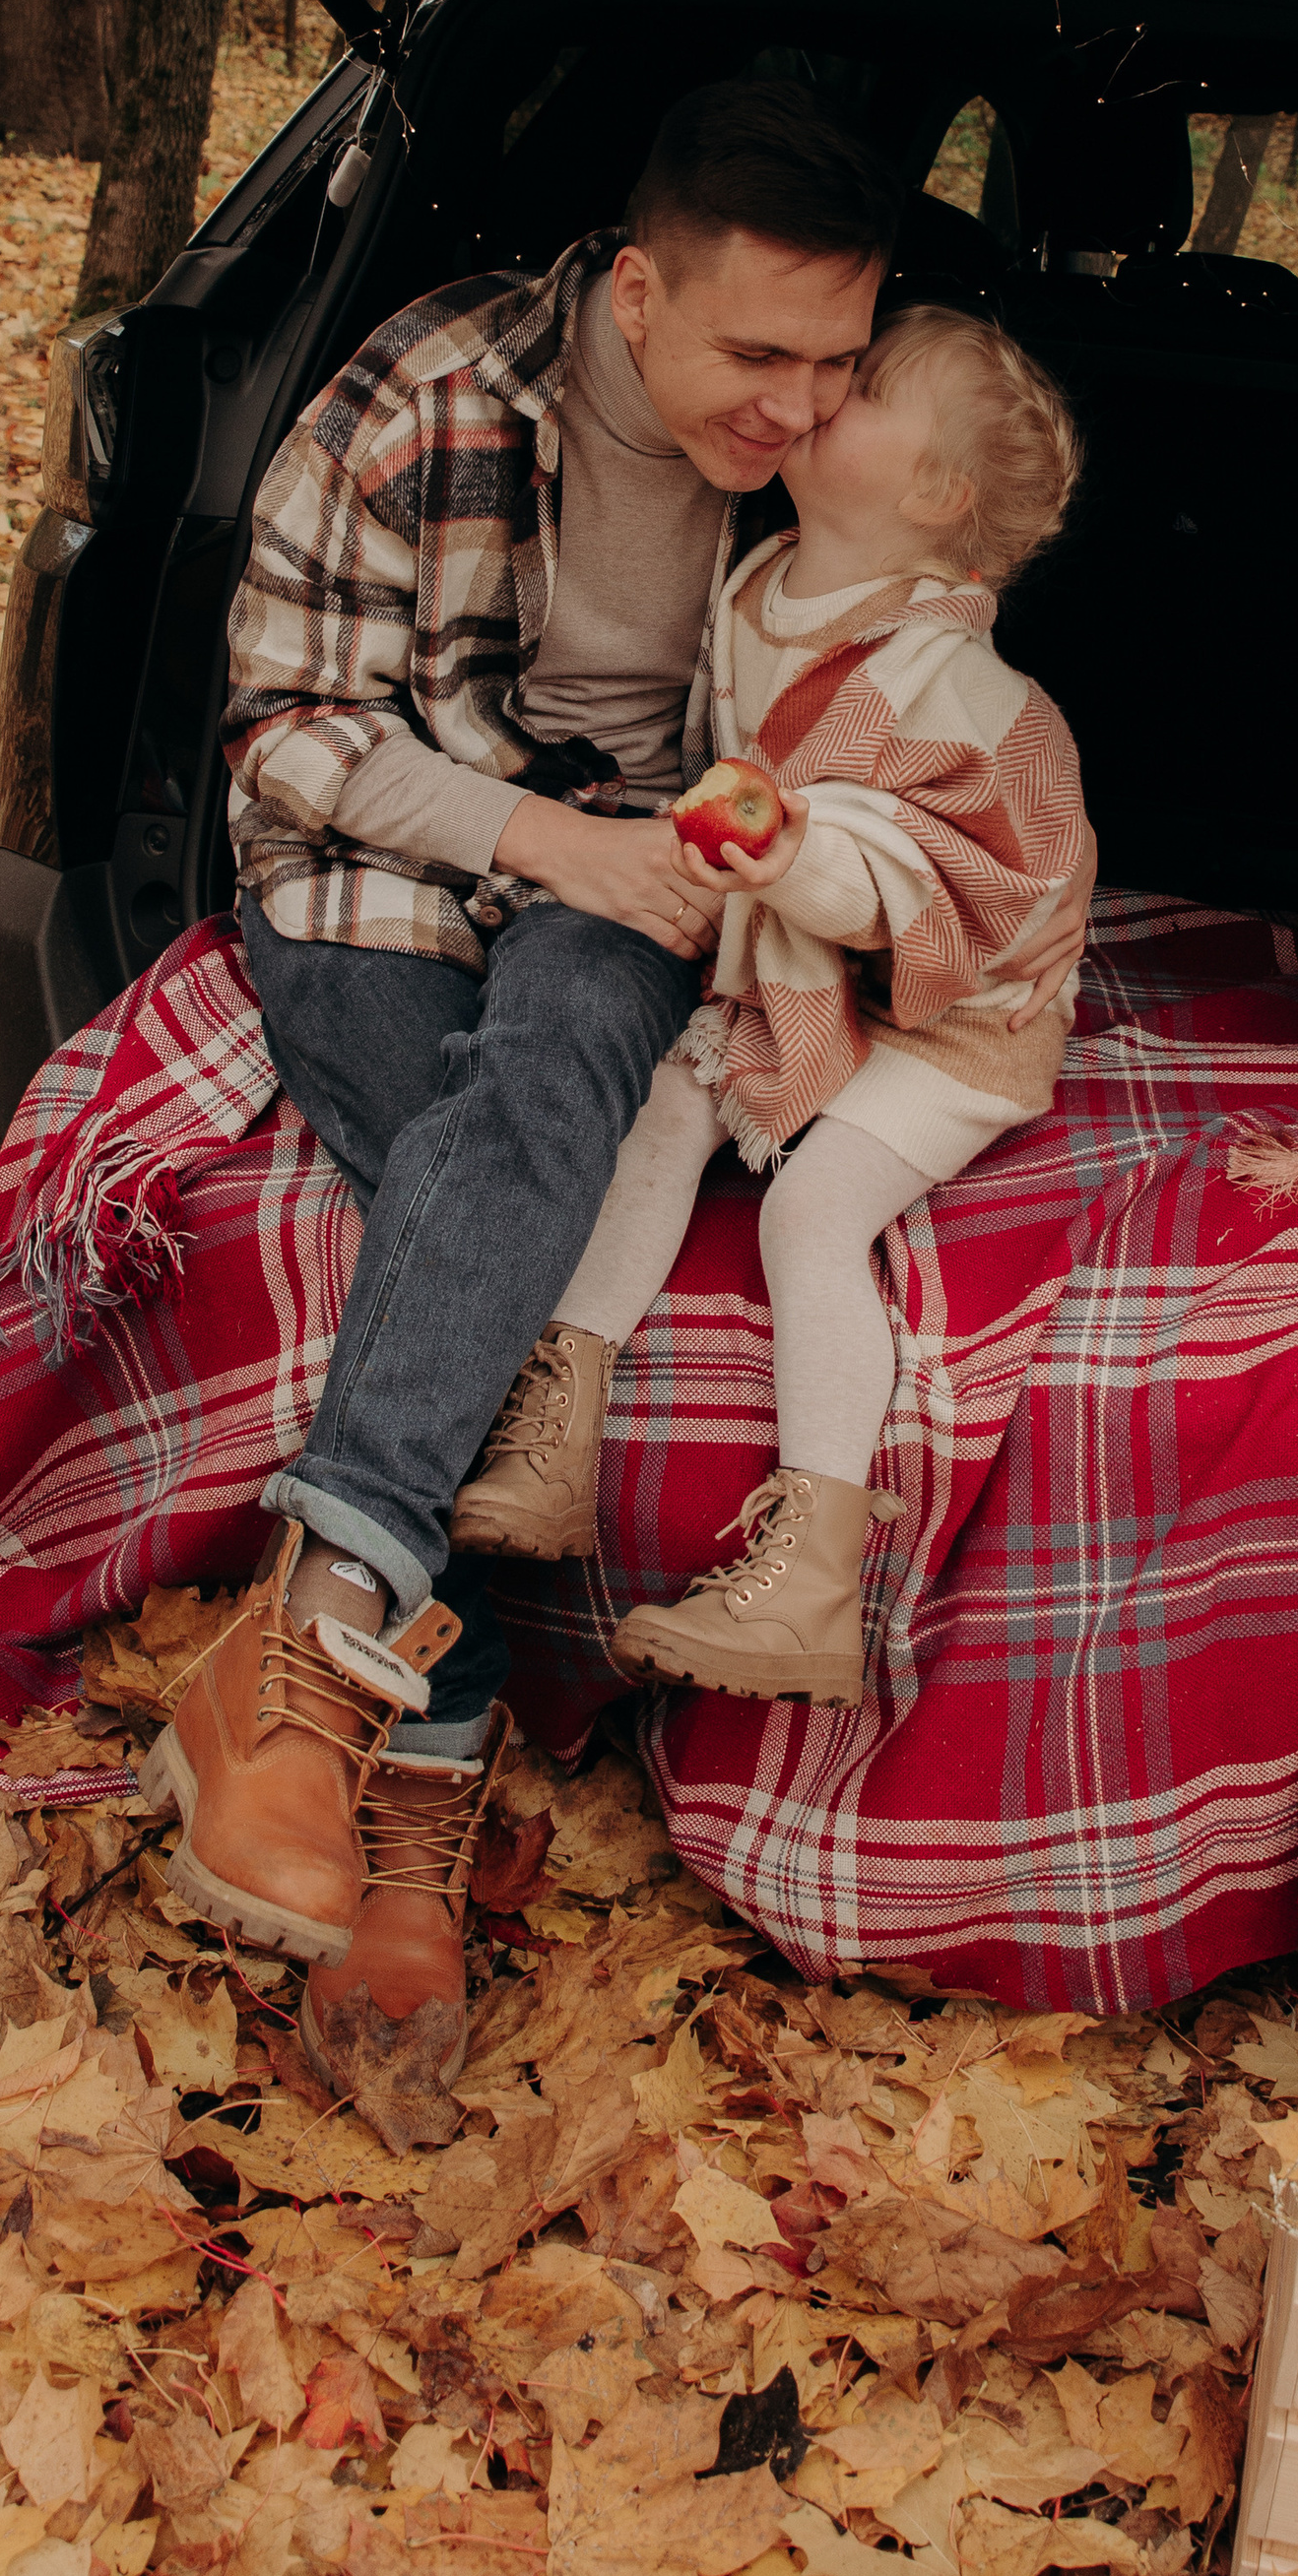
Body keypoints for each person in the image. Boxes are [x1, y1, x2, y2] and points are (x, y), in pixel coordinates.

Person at [143, 80, 1092, 2140]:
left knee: (552, 1093)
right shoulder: (417, 402)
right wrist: (539, 842)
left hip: (643, 872)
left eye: (840, 365)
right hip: (394, 869)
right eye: (759, 358)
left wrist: (693, 865)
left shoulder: (821, 493)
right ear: (638, 294)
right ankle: (414, 1760)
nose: (799, 410)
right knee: (462, 1180)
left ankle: (314, 1642)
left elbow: (880, 737)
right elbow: (285, 731)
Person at [454, 305, 1090, 1708]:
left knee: (810, 1211)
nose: (819, 394)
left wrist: (789, 855)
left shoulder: (948, 681)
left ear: (936, 493)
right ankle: (558, 1417)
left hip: (954, 1008)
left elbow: (907, 877)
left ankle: (812, 1576)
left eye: (861, 386)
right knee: (662, 1105)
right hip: (797, 946)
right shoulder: (761, 581)